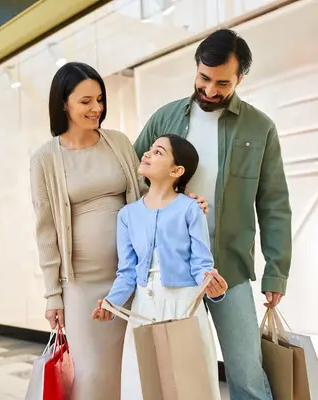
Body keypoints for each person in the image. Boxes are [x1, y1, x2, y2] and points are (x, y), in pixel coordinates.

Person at [30, 62, 207, 400]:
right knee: (91, 373)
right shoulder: (44, 159)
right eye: (85, 101)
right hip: (81, 283)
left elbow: (147, 196)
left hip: (131, 276)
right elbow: (45, 230)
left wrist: (182, 204)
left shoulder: (118, 142)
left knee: (133, 369)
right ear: (63, 103)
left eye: (99, 99)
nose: (96, 108)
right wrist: (53, 294)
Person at [133, 29, 292, 400]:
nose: (209, 90)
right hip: (170, 269)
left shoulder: (259, 128)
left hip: (229, 269)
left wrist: (277, 269)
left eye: (222, 83)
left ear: (240, 79)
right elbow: (134, 178)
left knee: (247, 375)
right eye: (204, 78)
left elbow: (274, 203)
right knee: (177, 374)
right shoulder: (165, 118)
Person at [92, 134, 228, 400]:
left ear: (176, 171)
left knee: (191, 382)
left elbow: (202, 262)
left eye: (158, 152)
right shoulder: (127, 215)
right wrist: (111, 303)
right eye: (150, 149)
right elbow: (127, 273)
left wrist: (214, 287)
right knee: (144, 382)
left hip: (185, 305)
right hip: (143, 308)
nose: (147, 153)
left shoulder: (191, 209)